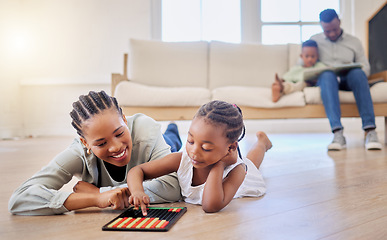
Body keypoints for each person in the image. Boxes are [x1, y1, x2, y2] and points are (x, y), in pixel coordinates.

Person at [8, 90, 182, 215]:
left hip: (162, 145)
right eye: (101, 143)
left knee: (172, 141)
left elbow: (173, 187)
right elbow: (20, 198)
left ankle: (173, 128)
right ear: (86, 143)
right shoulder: (78, 152)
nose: (115, 147)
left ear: (124, 119)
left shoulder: (146, 130)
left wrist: (98, 192)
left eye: (119, 133)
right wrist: (97, 200)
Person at [127, 100, 272, 214]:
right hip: (224, 156)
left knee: (251, 165)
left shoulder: (237, 171)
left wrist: (220, 165)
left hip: (245, 181)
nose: (194, 151)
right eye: (190, 141)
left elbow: (210, 205)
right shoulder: (182, 159)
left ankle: (262, 143)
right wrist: (138, 191)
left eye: (206, 148)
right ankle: (262, 142)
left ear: (231, 148)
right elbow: (138, 171)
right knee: (250, 162)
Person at [310, 9, 382, 151]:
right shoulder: (314, 41)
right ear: (321, 26)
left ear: (339, 22)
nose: (331, 34)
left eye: (334, 29)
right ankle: (338, 134)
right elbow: (306, 63)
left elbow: (365, 67)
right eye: (327, 31)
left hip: (350, 79)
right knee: (326, 75)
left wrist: (355, 69)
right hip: (328, 81)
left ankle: (370, 131)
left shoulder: (354, 42)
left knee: (358, 73)